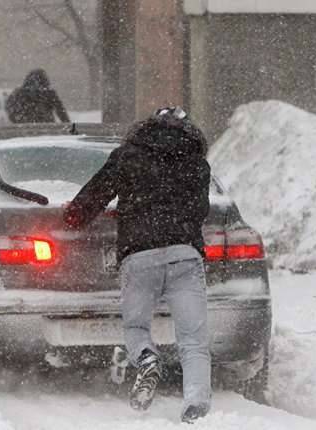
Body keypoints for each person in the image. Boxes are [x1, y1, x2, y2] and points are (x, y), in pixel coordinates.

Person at [63, 107, 212, 423]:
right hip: (185, 255)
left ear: (145, 128)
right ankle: (196, 405)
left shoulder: (127, 156)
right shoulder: (197, 163)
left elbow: (90, 200)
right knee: (193, 340)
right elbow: (199, 211)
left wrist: (74, 216)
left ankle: (146, 358)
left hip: (139, 254)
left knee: (136, 326)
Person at [5, 68, 70, 123]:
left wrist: (19, 120)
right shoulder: (49, 93)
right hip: (46, 128)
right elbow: (61, 112)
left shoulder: (18, 93)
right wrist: (69, 126)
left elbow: (10, 110)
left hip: (25, 128)